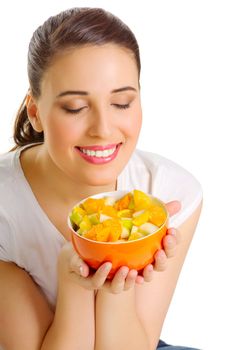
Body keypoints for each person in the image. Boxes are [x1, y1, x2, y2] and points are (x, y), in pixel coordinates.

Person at [0, 7, 203, 350]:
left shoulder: (170, 190)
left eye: (122, 103)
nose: (104, 130)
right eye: (76, 108)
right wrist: (76, 276)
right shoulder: (6, 210)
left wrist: (121, 268)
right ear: (35, 111)